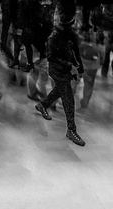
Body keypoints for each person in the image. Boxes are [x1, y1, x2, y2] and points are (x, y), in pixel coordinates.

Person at [35, 14, 86, 147]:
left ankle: (42, 105)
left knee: (59, 91)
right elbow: (51, 57)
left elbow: (75, 52)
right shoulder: (53, 37)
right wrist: (70, 66)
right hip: (57, 71)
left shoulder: (70, 35)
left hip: (67, 70)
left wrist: (79, 68)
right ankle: (71, 130)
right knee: (68, 99)